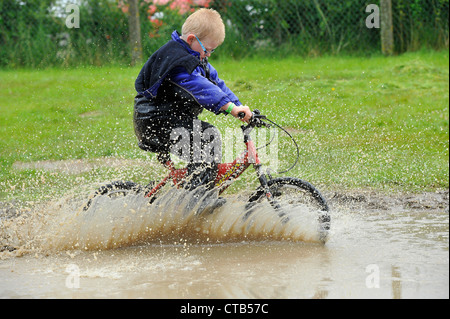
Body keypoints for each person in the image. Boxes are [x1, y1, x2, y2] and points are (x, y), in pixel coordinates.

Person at [134, 8, 252, 191]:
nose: (209, 55)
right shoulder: (179, 64)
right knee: (207, 137)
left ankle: (198, 188)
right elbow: (201, 87)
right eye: (208, 50)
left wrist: (238, 106)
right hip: (154, 123)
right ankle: (197, 199)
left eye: (212, 51)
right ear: (191, 40)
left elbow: (215, 83)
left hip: (170, 120)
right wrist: (229, 108)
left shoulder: (196, 56)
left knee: (203, 139)